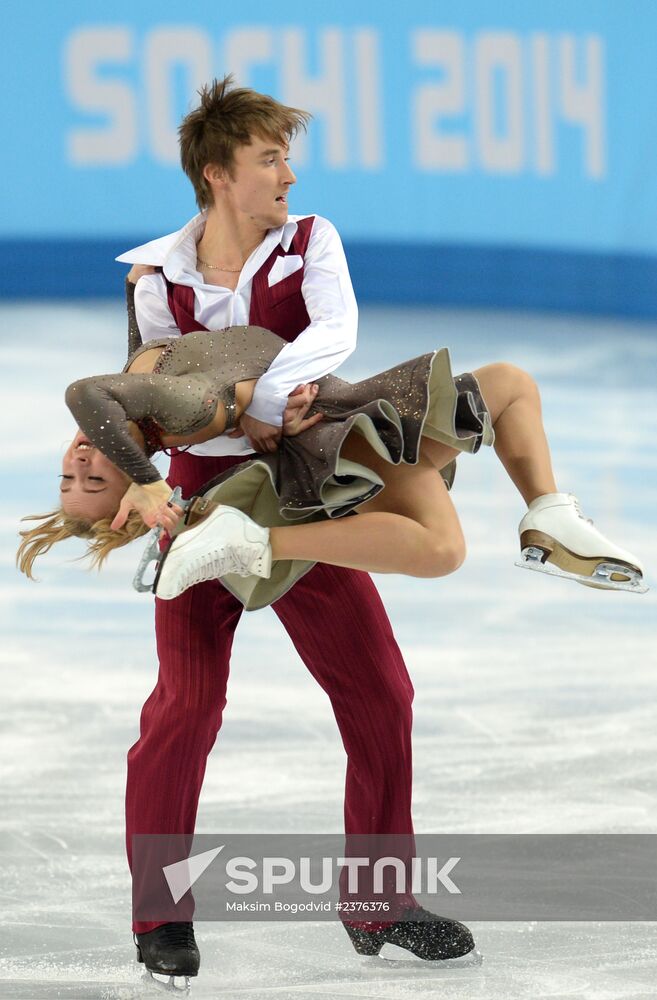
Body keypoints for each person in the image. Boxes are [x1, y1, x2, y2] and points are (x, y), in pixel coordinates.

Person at [15, 75, 646, 991]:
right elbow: (151, 385)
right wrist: (151, 480)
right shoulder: (157, 278)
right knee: (184, 711)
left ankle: (377, 900)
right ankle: (161, 917)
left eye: (285, 155)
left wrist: (270, 401)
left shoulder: (311, 241)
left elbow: (335, 330)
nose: (289, 175)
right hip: (204, 499)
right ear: (217, 172)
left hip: (306, 477)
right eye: (270, 158)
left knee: (380, 693)